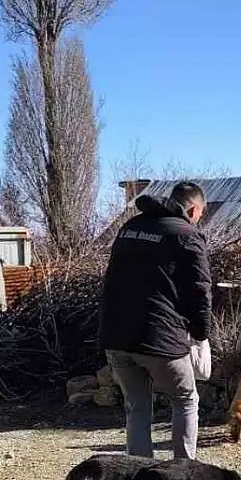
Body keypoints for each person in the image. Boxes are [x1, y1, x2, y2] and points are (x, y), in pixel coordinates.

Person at [99, 182, 211, 460]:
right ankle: (183, 477)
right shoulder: (186, 234)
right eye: (201, 214)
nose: (199, 219)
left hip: (116, 335)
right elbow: (200, 291)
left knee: (136, 407)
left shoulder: (130, 227)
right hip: (159, 338)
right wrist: (200, 334)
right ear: (194, 208)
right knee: (186, 400)